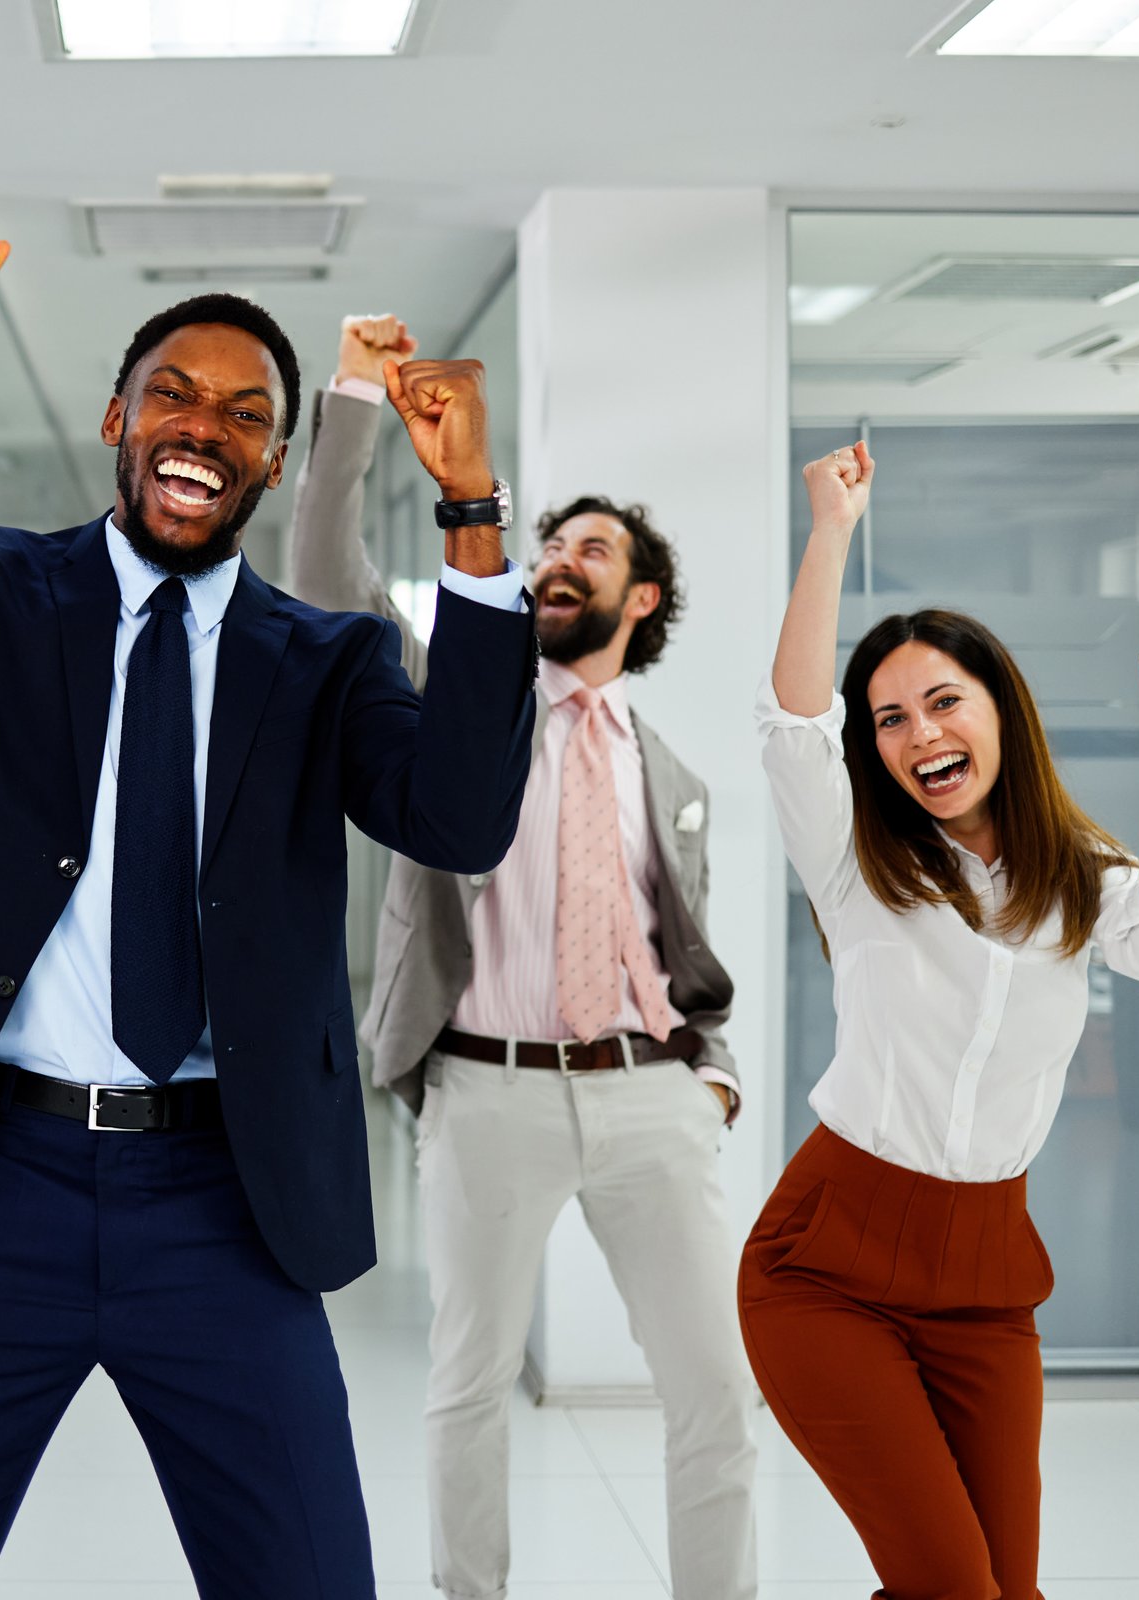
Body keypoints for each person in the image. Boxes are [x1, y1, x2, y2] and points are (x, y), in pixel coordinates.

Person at [0, 222, 539, 1599]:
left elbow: (459, 818)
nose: (203, 426)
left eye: (246, 414)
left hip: (223, 1193)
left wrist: (472, 509)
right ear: (119, 417)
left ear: (275, 459)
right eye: (174, 393)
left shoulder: (327, 662)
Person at [285, 314, 758, 1600]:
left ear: (638, 598)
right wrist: (353, 396)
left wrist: (706, 1074)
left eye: (589, 549)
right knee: (468, 1382)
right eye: (549, 543)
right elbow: (325, 571)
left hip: (651, 1095)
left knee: (716, 1390)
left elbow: (687, 942)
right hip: (487, 1087)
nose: (558, 558)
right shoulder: (452, 695)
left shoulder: (677, 773)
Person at [743, 441, 1139, 1600]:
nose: (919, 734)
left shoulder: (1077, 876)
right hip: (828, 1262)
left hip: (988, 1274)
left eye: (943, 701)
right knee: (951, 1583)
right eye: (891, 718)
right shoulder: (856, 860)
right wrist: (831, 528)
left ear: (1001, 707)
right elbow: (791, 722)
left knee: (1010, 1589)